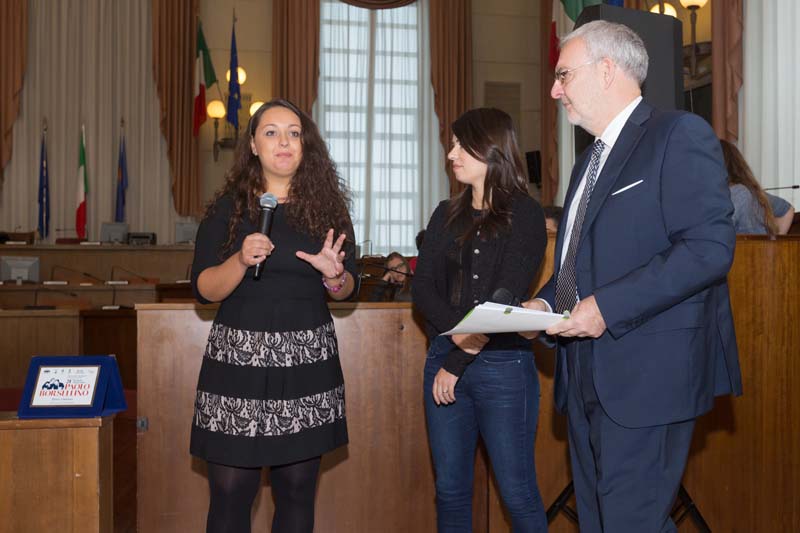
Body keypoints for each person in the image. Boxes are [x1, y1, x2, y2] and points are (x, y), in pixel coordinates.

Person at [521, 21, 742, 532]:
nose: (554, 90)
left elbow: (709, 248)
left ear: (606, 70)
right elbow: (578, 264)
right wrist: (544, 305)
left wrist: (607, 307)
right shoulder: (587, 161)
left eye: (563, 74)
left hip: (646, 377)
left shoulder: (678, 134)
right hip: (583, 377)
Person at [189, 98, 356, 533]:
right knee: (229, 491)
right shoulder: (227, 209)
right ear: (253, 145)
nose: (284, 141)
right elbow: (203, 289)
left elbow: (348, 288)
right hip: (238, 364)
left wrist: (334, 277)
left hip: (305, 364)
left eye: (294, 133)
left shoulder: (329, 210)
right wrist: (240, 260)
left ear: (305, 144)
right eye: (271, 132)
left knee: (297, 490)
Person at [412, 107, 548, 532]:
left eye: (460, 145)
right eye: (451, 145)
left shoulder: (525, 213)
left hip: (503, 367)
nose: (450, 154)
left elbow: (503, 298)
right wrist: (455, 343)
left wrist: (458, 359)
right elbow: (422, 290)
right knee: (450, 491)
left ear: (490, 148)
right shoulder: (444, 214)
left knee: (517, 492)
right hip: (443, 359)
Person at [720, 139, 796, 235]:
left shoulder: (738, 192)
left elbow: (716, 233)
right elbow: (787, 210)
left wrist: (775, 243)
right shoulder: (751, 191)